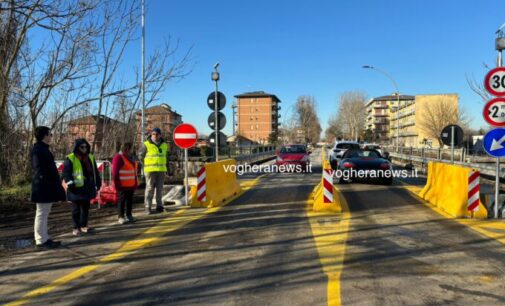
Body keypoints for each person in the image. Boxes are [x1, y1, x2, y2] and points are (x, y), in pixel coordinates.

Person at [31, 126, 66, 249]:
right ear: (44, 136)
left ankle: (44, 238)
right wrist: (47, 182)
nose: (51, 136)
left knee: (44, 213)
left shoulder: (43, 149)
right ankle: (40, 240)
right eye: (50, 134)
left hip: (46, 186)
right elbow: (39, 169)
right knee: (41, 213)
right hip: (42, 187)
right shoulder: (38, 149)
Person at [62, 138, 101, 236]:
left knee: (85, 208)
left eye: (86, 146)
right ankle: (76, 227)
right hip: (75, 188)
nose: (84, 148)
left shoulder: (90, 157)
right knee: (76, 209)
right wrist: (70, 185)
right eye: (82, 147)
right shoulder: (70, 158)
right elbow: (66, 173)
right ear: (77, 147)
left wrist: (98, 183)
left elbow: (95, 172)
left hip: (87, 187)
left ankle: (84, 225)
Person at [139, 127, 169, 214]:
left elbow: (166, 158)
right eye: (153, 134)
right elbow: (140, 156)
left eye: (157, 134)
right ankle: (147, 207)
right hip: (150, 170)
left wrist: (168, 169)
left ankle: (159, 206)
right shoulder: (146, 144)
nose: (155, 135)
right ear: (151, 135)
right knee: (149, 189)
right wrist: (145, 166)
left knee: (159, 189)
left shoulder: (164, 145)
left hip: (161, 170)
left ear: (160, 135)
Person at [112, 142, 138, 224]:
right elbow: (115, 172)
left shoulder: (130, 158)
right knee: (122, 200)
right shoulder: (118, 157)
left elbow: (133, 171)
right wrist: (117, 184)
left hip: (130, 184)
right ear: (126, 149)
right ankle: (121, 216)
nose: (132, 151)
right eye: (131, 149)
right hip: (122, 185)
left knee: (129, 200)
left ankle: (129, 215)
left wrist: (135, 182)